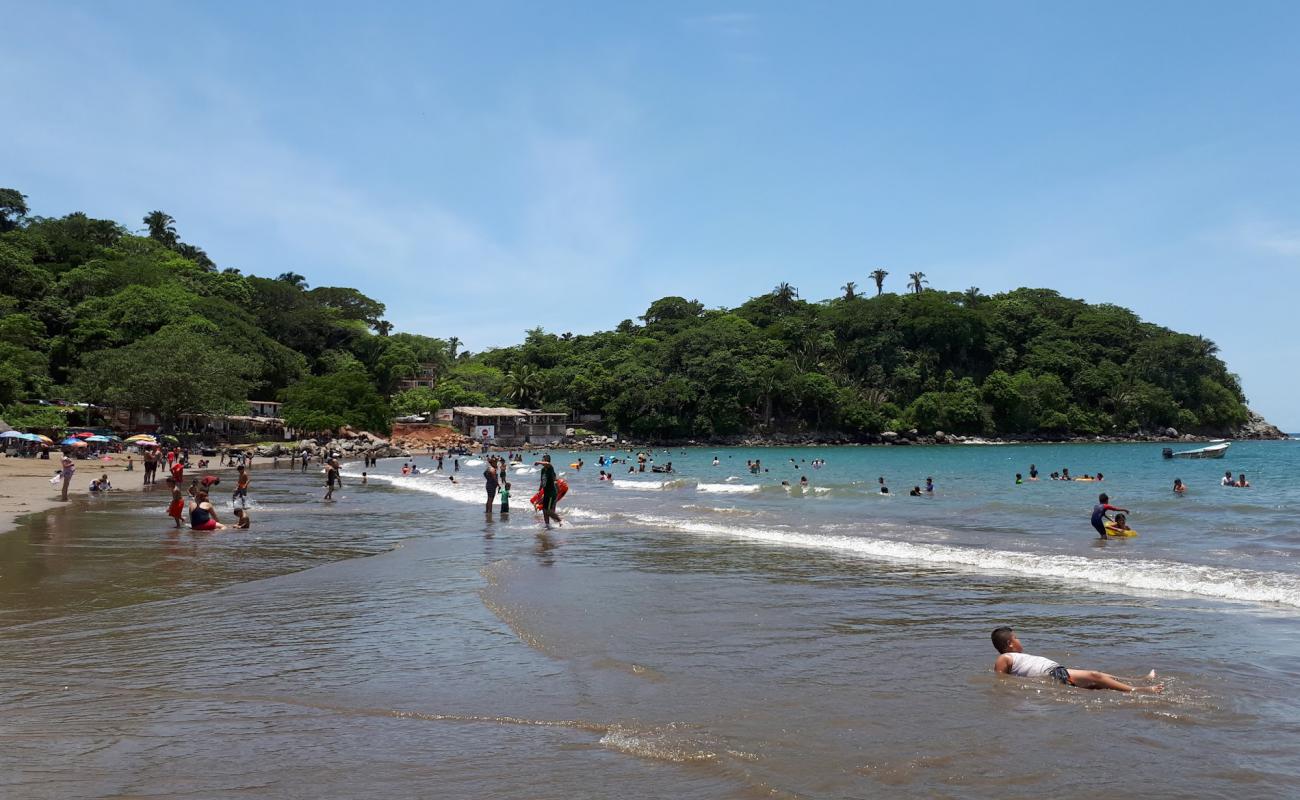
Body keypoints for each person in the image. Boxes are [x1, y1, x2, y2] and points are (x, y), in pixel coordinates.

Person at [991, 627, 1162, 693]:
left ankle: (1139, 680)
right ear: (1010, 643)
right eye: (1017, 637)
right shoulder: (1004, 658)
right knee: (1095, 675)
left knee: (1099, 681)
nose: (1020, 640)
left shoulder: (1018, 656)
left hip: (1057, 673)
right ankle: (1139, 689)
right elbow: (1001, 679)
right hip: (1053, 674)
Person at [536, 454, 562, 529]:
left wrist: (538, 462)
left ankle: (560, 521)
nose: (542, 461)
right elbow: (542, 481)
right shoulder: (543, 470)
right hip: (546, 492)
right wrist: (539, 490)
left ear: (546, 461)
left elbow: (548, 464)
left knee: (548, 510)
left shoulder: (550, 468)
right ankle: (547, 525)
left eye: (543, 460)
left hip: (551, 493)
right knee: (544, 510)